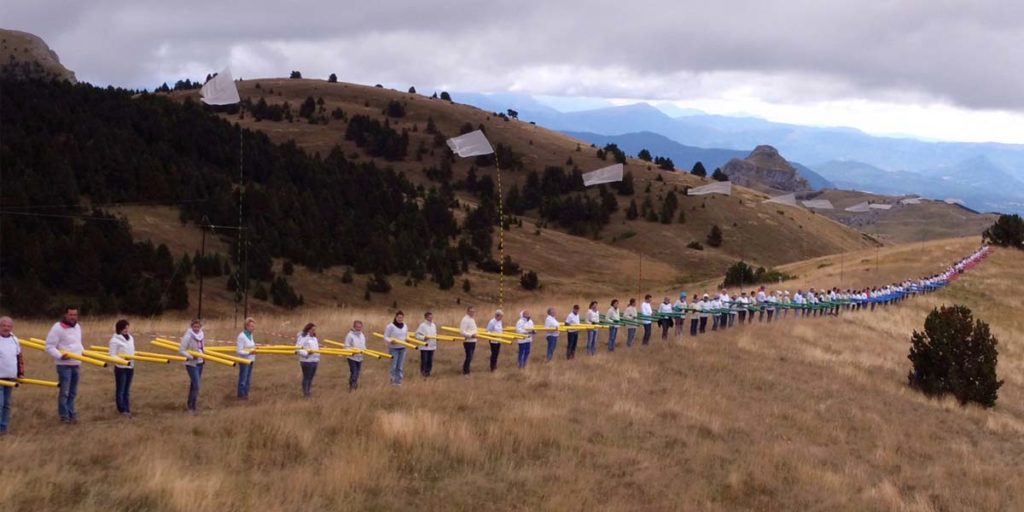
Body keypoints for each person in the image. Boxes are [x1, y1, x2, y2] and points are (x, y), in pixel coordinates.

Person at [44, 307, 84, 424]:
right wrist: (60, 356)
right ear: (65, 315)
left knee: (73, 392)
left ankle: (72, 414)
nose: (73, 317)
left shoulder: (77, 327)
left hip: (76, 363)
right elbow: (49, 346)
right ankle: (64, 416)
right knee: (65, 392)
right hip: (64, 365)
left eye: (75, 315)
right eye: (71, 315)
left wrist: (82, 353)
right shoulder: (58, 328)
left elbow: (78, 344)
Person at [0, 316, 25, 435]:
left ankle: (4, 428)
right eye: (4, 325)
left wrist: (21, 373)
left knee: (7, 405)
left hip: (10, 378)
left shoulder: (14, 339)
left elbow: (19, 357)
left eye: (9, 326)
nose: (6, 328)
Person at [107, 319, 135, 417]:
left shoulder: (131, 338)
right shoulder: (115, 340)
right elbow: (112, 355)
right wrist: (122, 359)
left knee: (127, 390)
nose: (126, 330)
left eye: (127, 328)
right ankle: (121, 409)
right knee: (121, 389)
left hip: (130, 366)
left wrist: (130, 360)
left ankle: (127, 408)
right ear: (119, 329)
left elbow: (132, 351)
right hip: (121, 367)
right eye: (124, 328)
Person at [179, 319, 206, 414]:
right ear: (191, 327)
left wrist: (204, 355)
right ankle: (192, 407)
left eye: (198, 327)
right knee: (197, 385)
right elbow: (181, 350)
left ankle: (190, 403)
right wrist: (191, 356)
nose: (196, 329)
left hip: (200, 362)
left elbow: (202, 347)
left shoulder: (202, 335)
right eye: (194, 327)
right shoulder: (188, 336)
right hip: (191, 364)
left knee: (194, 385)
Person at [384, 311, 409, 385]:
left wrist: (408, 339)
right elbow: (386, 337)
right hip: (394, 348)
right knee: (394, 366)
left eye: (401, 317)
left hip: (403, 348)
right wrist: (391, 341)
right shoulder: (390, 326)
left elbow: (407, 335)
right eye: (398, 317)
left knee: (400, 366)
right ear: (395, 317)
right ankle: (393, 380)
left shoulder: (405, 326)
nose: (400, 319)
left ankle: (399, 381)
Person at [295, 323, 320, 397]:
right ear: (308, 329)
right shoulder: (303, 337)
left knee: (311, 377)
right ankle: (306, 393)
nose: (314, 331)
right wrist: (307, 353)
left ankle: (308, 391)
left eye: (314, 330)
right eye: (312, 330)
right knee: (307, 377)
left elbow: (315, 348)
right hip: (306, 361)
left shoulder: (314, 338)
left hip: (315, 360)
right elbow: (297, 349)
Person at [236, 317, 257, 400]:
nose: (253, 328)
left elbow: (251, 345)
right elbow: (239, 351)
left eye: (254, 326)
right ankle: (241, 395)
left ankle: (246, 394)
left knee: (248, 379)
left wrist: (254, 350)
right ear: (247, 326)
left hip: (251, 360)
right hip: (244, 360)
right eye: (251, 326)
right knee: (243, 379)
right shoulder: (241, 336)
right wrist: (249, 352)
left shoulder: (251, 335)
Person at [344, 321, 366, 391]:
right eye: (357, 327)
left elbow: (363, 345)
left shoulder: (362, 335)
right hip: (352, 357)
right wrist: (351, 352)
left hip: (360, 357)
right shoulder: (350, 335)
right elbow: (346, 346)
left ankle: (354, 385)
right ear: (354, 327)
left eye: (360, 327)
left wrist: (364, 350)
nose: (359, 328)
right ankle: (352, 386)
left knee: (358, 372)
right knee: (354, 372)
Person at [415, 311, 438, 377]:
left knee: (430, 361)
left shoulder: (433, 325)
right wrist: (423, 338)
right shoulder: (422, 325)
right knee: (424, 360)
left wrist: (436, 339)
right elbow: (417, 335)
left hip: (432, 346)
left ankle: (428, 373)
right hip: (424, 346)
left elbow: (435, 334)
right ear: (426, 317)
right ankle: (423, 373)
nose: (431, 318)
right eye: (429, 317)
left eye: (431, 317)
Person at [460, 306, 478, 375]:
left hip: (473, 341)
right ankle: (465, 371)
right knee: (469, 356)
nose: (472, 313)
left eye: (473, 311)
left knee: (471, 356)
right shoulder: (465, 320)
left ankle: (467, 369)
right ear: (467, 311)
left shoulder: (472, 319)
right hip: (468, 341)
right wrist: (470, 335)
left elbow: (473, 329)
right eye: (471, 311)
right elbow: (462, 332)